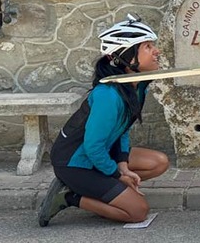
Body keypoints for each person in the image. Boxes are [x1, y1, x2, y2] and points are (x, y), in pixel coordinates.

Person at [37, 14, 169, 227]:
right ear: (125, 56)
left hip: (99, 154)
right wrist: (117, 175)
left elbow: (122, 129)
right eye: (147, 46)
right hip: (75, 163)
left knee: (159, 162)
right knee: (138, 211)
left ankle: (103, 192)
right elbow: (92, 146)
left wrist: (123, 166)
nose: (156, 51)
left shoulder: (136, 87)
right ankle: (70, 197)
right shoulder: (108, 95)